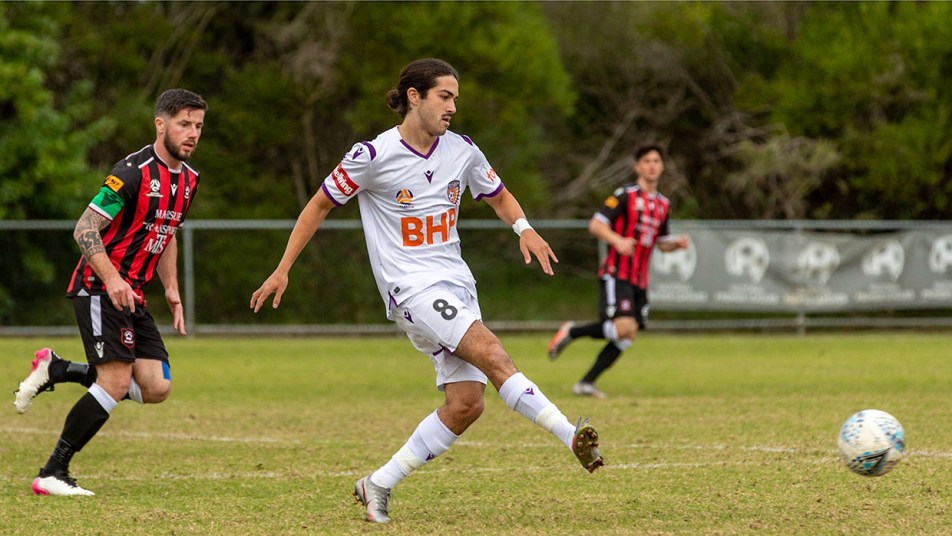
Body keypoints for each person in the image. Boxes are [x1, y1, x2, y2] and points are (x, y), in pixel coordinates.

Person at [250, 58, 603, 524]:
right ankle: (569, 434)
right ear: (414, 97)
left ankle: (377, 483)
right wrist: (282, 269)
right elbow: (318, 205)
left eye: (456, 97)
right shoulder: (372, 156)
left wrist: (524, 228)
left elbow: (497, 193)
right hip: (411, 289)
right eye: (445, 96)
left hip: (457, 283)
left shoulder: (463, 150)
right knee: (494, 353)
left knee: (466, 405)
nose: (453, 106)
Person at [13, 89, 207, 496]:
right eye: (184, 124)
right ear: (161, 124)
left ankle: (59, 369)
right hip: (99, 286)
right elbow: (84, 228)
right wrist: (114, 279)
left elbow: (167, 232)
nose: (192, 134)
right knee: (116, 383)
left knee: (156, 387)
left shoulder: (189, 180)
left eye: (198, 126)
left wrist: (171, 288)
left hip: (133, 293)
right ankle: (53, 472)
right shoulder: (131, 172)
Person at [548, 144, 690, 398]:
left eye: (656, 161)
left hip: (640, 280)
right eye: (646, 161)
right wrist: (617, 240)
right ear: (638, 167)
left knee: (628, 334)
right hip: (617, 272)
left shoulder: (663, 205)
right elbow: (596, 224)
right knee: (623, 328)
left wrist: (675, 245)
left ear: (662, 167)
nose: (652, 165)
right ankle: (572, 332)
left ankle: (586, 383)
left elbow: (659, 243)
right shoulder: (625, 196)